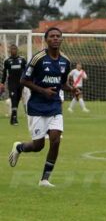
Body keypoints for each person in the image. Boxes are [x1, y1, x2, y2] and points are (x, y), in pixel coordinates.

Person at [8, 27, 80, 187]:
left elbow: (62, 83)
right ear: (46, 40)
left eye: (58, 36)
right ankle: (19, 147)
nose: (55, 38)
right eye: (52, 36)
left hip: (54, 106)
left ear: (61, 39)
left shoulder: (65, 61)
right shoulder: (38, 58)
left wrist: (72, 89)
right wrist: (43, 90)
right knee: (38, 145)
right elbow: (24, 80)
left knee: (55, 141)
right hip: (37, 107)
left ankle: (45, 179)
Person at [1, 44, 27, 125]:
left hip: (20, 83)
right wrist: (2, 83)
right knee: (14, 98)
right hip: (12, 83)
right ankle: (15, 118)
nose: (13, 51)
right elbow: (5, 73)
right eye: (12, 49)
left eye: (15, 49)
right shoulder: (7, 61)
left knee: (17, 100)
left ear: (17, 50)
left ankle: (12, 118)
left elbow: (26, 71)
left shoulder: (22, 60)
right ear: (10, 51)